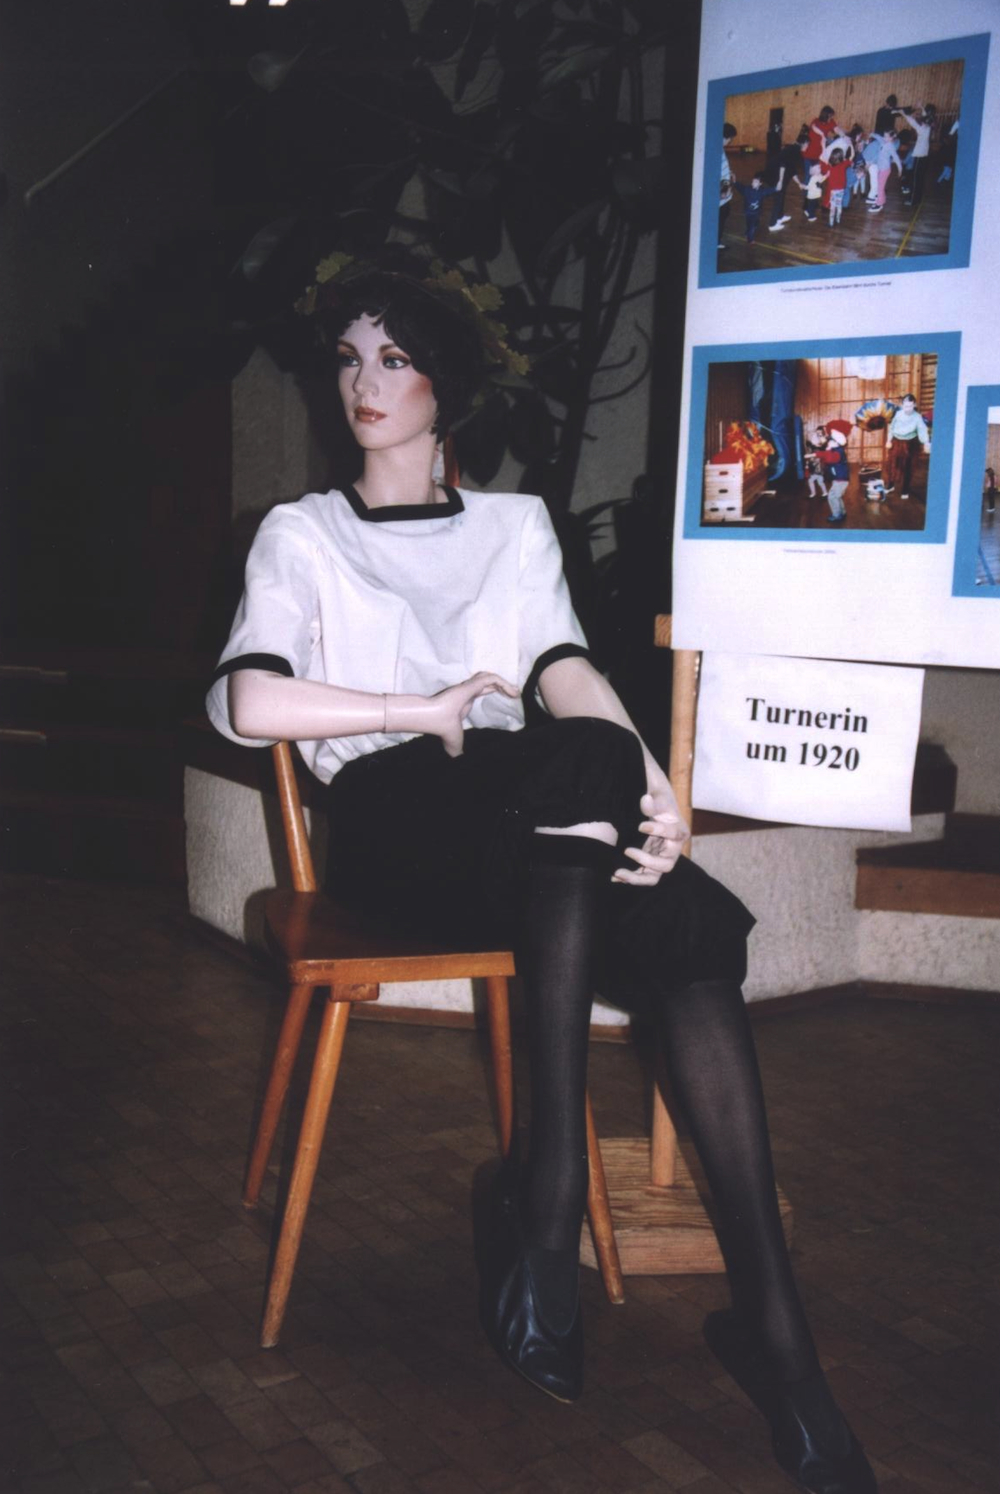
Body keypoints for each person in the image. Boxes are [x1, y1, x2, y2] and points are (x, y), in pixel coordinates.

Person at [207, 258, 877, 1494]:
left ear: (444, 386)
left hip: (528, 825)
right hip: (394, 821)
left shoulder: (511, 527)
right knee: (598, 802)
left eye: (395, 359)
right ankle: (551, 1188)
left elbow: (564, 669)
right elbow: (252, 701)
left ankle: (767, 1335)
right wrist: (418, 709)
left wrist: (655, 793)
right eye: (350, 359)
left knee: (678, 920)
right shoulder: (304, 533)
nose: (364, 382)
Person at [884, 393, 930, 500]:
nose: (908, 409)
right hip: (896, 442)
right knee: (892, 465)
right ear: (902, 405)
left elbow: (922, 430)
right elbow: (891, 428)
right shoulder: (897, 414)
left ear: (914, 405)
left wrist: (926, 442)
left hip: (910, 444)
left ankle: (905, 489)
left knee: (908, 467)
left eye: (910, 406)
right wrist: (889, 440)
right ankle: (890, 485)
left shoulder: (917, 417)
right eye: (905, 406)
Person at [767, 127, 808, 231]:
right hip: (776, 174)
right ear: (804, 143)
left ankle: (779, 217)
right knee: (778, 197)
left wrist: (799, 183)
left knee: (781, 195)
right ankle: (772, 224)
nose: (807, 147)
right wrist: (780, 181)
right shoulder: (795, 151)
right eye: (808, 145)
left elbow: (791, 170)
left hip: (780, 174)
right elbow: (783, 164)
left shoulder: (795, 149)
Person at [732, 173, 778, 243]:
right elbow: (740, 187)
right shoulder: (747, 190)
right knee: (751, 226)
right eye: (753, 181)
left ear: (760, 184)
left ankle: (748, 232)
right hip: (748, 212)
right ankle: (750, 239)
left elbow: (769, 190)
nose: (753, 183)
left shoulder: (761, 192)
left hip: (756, 212)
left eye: (756, 182)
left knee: (754, 224)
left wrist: (776, 188)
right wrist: (735, 182)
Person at [719, 122, 738, 249]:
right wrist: (724, 191)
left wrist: (730, 172)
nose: (730, 141)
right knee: (722, 214)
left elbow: (723, 169)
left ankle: (717, 240)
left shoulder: (720, 149)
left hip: (724, 192)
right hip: (721, 194)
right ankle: (715, 242)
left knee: (725, 213)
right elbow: (719, 174)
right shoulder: (717, 150)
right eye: (731, 138)